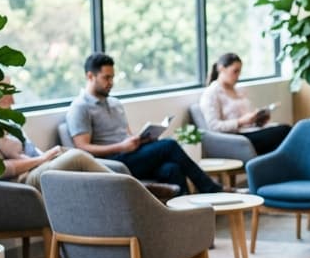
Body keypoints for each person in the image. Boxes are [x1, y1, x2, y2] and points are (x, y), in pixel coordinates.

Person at [66, 53, 224, 195]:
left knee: (171, 169)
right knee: (169, 145)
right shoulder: (80, 107)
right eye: (106, 78)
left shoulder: (115, 103)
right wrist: (121, 147)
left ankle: (188, 213)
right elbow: (82, 147)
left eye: (112, 77)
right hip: (113, 162)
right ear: (90, 76)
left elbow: (126, 135)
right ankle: (211, 189)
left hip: (130, 155)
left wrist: (141, 139)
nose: (111, 82)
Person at [0, 94, 111, 190]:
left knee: (66, 152)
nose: (12, 100)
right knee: (77, 157)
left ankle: (115, 196)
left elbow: (30, 150)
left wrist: (49, 156)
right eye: (7, 94)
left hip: (36, 166)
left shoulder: (8, 121)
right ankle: (122, 190)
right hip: (22, 178)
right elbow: (0, 170)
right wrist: (42, 159)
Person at [199, 52, 291, 155]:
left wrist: (258, 119)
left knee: (287, 133)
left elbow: (248, 118)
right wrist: (240, 122)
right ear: (221, 69)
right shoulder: (211, 93)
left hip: (250, 131)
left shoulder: (239, 91)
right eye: (235, 71)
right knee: (284, 131)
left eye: (239, 72)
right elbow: (214, 126)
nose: (238, 76)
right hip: (236, 138)